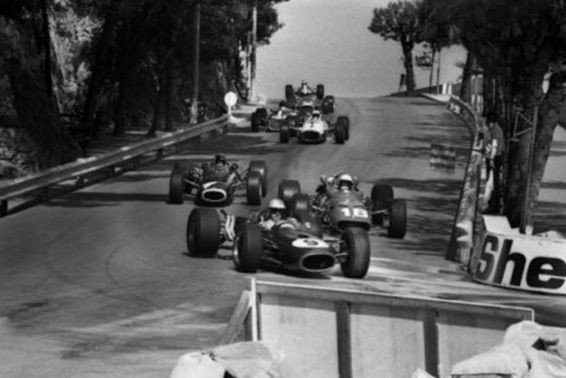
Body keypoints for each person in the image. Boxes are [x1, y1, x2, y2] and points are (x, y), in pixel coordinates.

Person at [485, 112, 505, 214]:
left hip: (495, 158)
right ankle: (493, 205)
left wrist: (491, 159)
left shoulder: (494, 130)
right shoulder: (495, 129)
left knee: (493, 184)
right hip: (496, 157)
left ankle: (494, 206)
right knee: (494, 183)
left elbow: (494, 145)